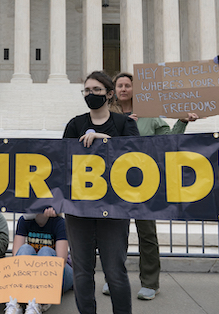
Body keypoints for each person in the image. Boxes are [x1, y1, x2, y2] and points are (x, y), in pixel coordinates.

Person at [102, 72, 198, 300]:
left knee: (147, 233)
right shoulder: (107, 115)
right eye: (120, 85)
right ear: (113, 90)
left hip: (145, 182)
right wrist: (126, 127)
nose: (124, 89)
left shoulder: (150, 115)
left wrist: (182, 121)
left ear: (136, 89)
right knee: (116, 234)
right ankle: (113, 279)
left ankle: (150, 282)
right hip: (116, 183)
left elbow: (168, 140)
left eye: (128, 85)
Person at [62, 71, 139, 314]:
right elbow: (62, 162)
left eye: (96, 90)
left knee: (115, 272)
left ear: (109, 93)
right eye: (87, 90)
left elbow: (137, 159)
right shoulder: (75, 124)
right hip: (79, 210)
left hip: (115, 209)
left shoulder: (125, 124)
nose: (91, 94)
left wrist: (102, 139)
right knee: (82, 272)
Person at [13, 207, 73, 297]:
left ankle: (43, 298)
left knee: (45, 251)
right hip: (32, 273)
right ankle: (18, 297)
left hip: (56, 274)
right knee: (25, 248)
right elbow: (16, 257)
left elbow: (61, 262)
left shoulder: (60, 222)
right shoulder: (24, 221)